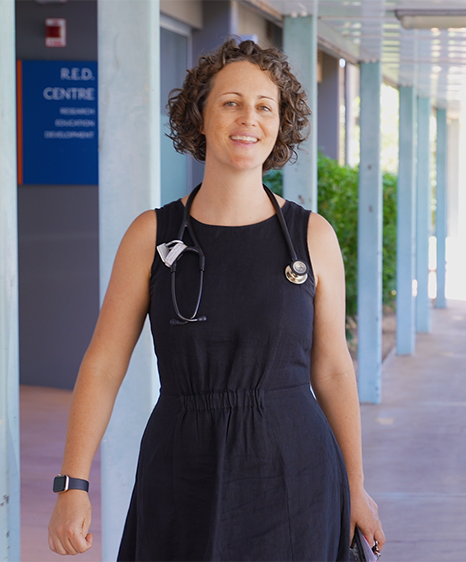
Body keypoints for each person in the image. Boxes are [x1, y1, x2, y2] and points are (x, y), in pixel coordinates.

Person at [47, 38, 384, 560]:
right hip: (183, 469)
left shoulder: (311, 236)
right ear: (199, 117)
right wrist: (72, 484)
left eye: (264, 106)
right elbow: (103, 364)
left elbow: (334, 369)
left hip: (297, 471)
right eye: (231, 102)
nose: (248, 118)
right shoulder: (151, 235)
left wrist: (356, 487)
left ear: (280, 124)